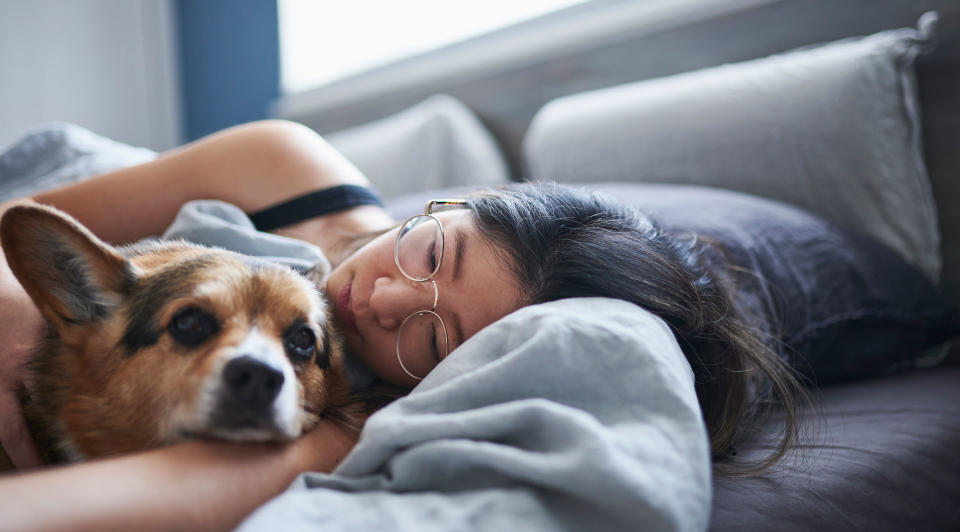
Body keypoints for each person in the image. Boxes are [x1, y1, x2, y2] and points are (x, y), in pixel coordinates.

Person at [0, 120, 804, 530]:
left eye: (428, 337)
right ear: (438, 207)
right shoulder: (285, 164)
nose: (384, 300)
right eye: (429, 251)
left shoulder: (362, 405)